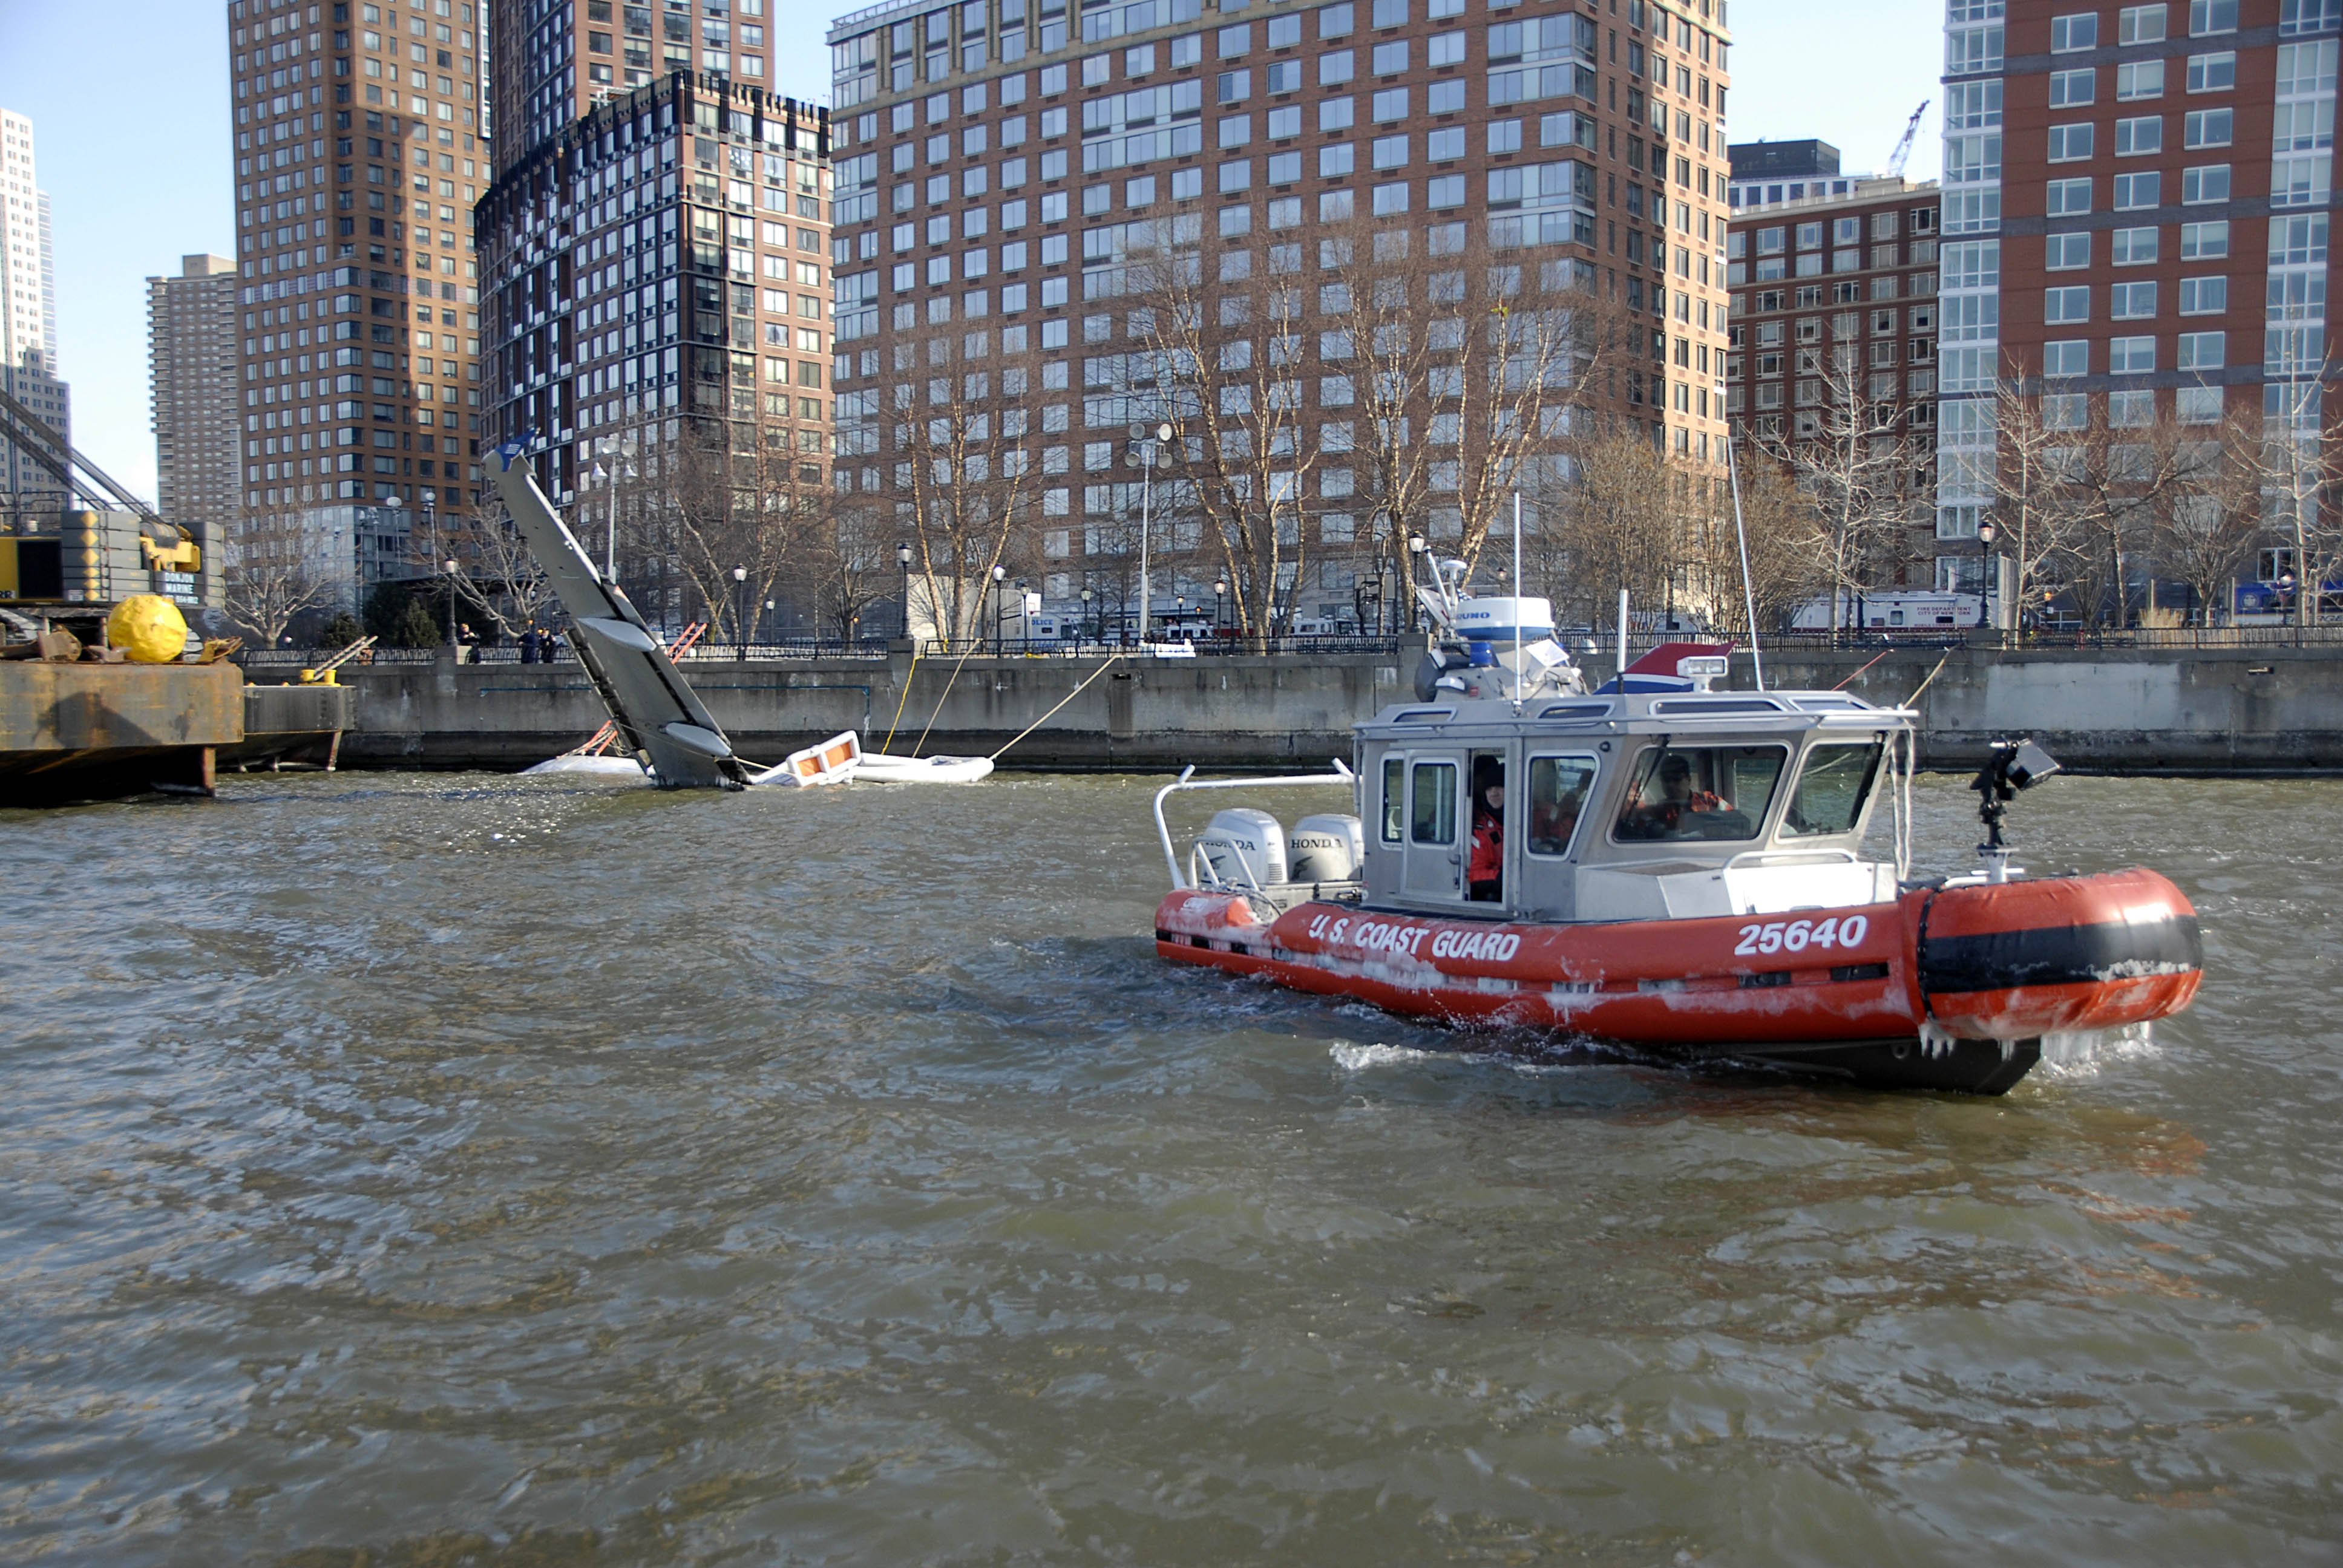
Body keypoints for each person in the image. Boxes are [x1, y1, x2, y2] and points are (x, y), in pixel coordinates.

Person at [1621, 753, 1723, 839]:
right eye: (1666, 780)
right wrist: (1627, 807)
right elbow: (1632, 824)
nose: (1671, 785)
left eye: (1676, 779)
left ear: (1688, 779)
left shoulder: (1711, 802)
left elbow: (1735, 822)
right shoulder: (1657, 812)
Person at [1467, 756, 1506, 901]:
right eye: (1489, 789)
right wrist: (1501, 878)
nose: (1494, 793)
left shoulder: (1531, 819)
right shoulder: (1481, 831)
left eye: (1499, 787)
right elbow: (1476, 873)